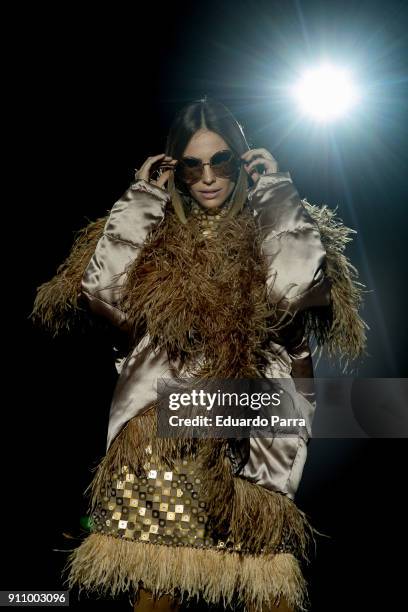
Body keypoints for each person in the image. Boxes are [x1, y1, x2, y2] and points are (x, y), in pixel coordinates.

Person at [30, 97, 368, 612]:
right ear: (177, 170)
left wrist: (276, 192)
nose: (208, 177)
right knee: (156, 590)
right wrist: (143, 198)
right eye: (192, 164)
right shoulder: (157, 233)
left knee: (265, 589)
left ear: (243, 160)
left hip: (250, 436)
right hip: (162, 434)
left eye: (222, 161)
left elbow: (290, 289)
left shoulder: (275, 226)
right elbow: (106, 295)